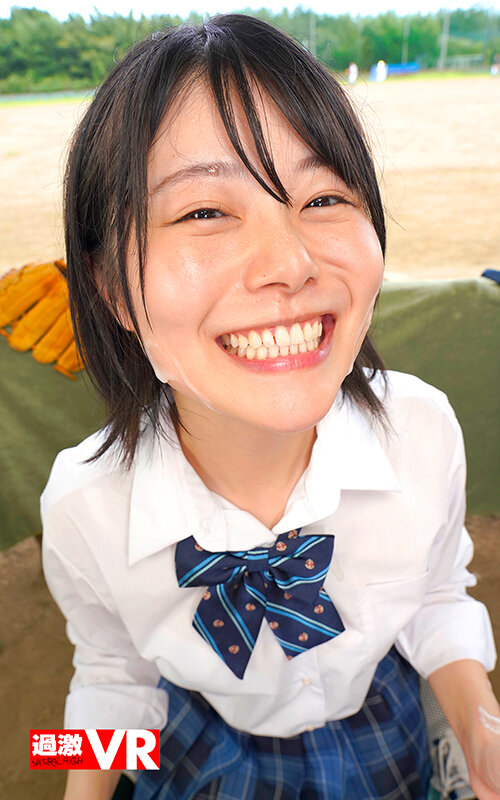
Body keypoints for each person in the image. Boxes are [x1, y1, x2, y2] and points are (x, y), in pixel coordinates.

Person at [41, 14, 500, 800]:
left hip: (379, 719)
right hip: (198, 736)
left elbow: (435, 594)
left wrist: (479, 724)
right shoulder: (81, 504)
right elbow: (113, 673)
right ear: (111, 287)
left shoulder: (424, 429)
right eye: (204, 212)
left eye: (323, 197)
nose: (290, 262)